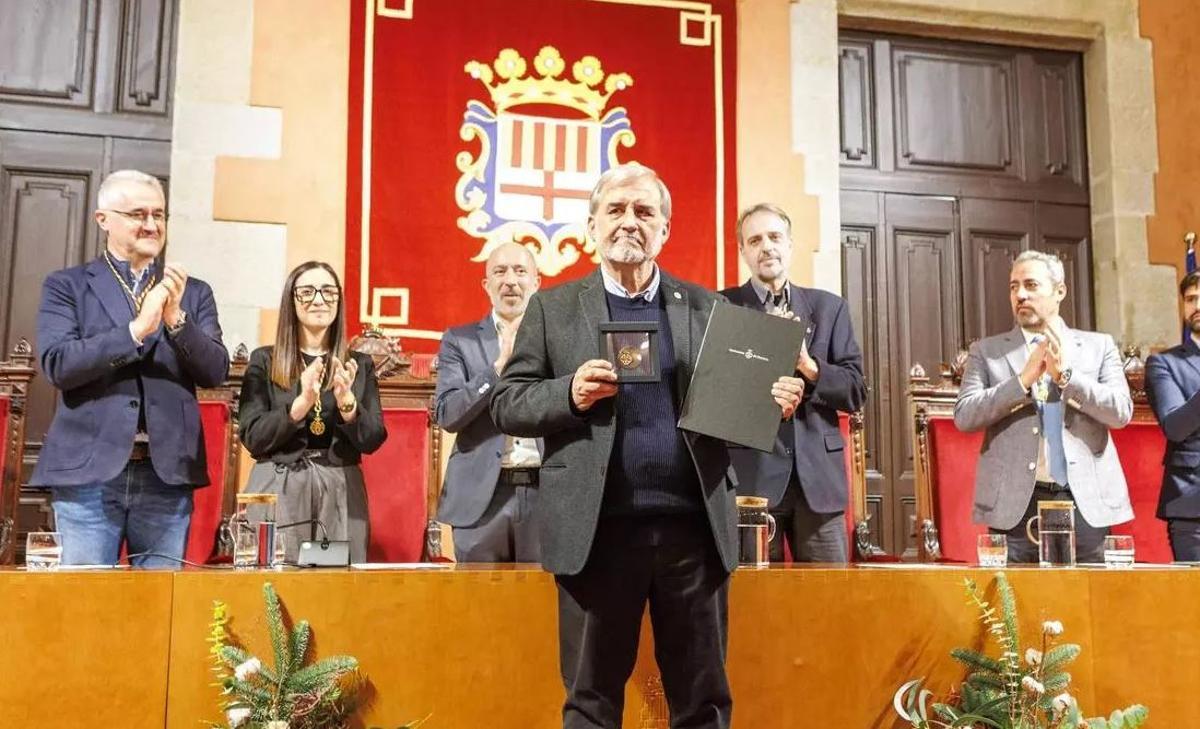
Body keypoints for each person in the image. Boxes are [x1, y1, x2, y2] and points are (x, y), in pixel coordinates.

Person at [491, 162, 804, 729]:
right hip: (597, 531)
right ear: (591, 226)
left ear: (665, 229)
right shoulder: (553, 309)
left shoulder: (707, 307)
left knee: (702, 703)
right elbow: (508, 403)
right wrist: (570, 393)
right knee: (590, 703)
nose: (629, 222)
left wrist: (772, 402)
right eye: (615, 209)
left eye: (644, 211)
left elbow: (734, 412)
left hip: (693, 532)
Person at [32, 169, 229, 567]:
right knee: (88, 605)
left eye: (159, 215)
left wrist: (176, 320)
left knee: (158, 610)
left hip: (166, 475)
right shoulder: (67, 286)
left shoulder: (192, 291)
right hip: (89, 473)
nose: (152, 225)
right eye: (139, 214)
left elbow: (215, 371)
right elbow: (58, 364)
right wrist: (136, 331)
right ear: (103, 219)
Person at [954, 250, 1132, 563]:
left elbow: (1120, 412)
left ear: (1059, 291)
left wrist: (1067, 378)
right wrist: (1021, 382)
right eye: (1013, 287)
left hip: (1086, 498)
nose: (1020, 294)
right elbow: (965, 416)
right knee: (1015, 607)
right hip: (1016, 503)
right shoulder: (987, 351)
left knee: (1088, 605)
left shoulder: (1097, 346)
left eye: (1031, 285)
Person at [720, 203, 866, 562]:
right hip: (751, 481)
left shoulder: (829, 308)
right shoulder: (723, 307)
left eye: (774, 237)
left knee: (826, 606)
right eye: (755, 240)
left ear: (790, 245)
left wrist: (808, 364)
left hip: (818, 483)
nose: (766, 246)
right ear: (743, 251)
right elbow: (717, 395)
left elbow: (855, 391)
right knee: (755, 605)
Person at [237, 261, 386, 564]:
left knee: (333, 588)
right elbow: (253, 437)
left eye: (328, 292)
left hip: (339, 484)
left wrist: (347, 402)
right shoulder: (265, 360)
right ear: (291, 300)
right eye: (307, 292)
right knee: (279, 585)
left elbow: (372, 439)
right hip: (281, 483)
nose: (319, 300)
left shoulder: (358, 364)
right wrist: (299, 407)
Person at [434, 242, 544, 562]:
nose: (510, 280)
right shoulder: (460, 340)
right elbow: (449, 414)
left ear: (536, 283)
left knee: (541, 606)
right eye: (500, 271)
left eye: (520, 271)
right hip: (480, 501)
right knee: (478, 607)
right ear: (486, 285)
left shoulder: (556, 339)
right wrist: (497, 368)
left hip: (544, 495)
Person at [1145, 271, 1200, 560]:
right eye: (1191, 299)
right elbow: (1176, 427)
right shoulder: (1164, 363)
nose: (1197, 305)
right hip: (1192, 505)